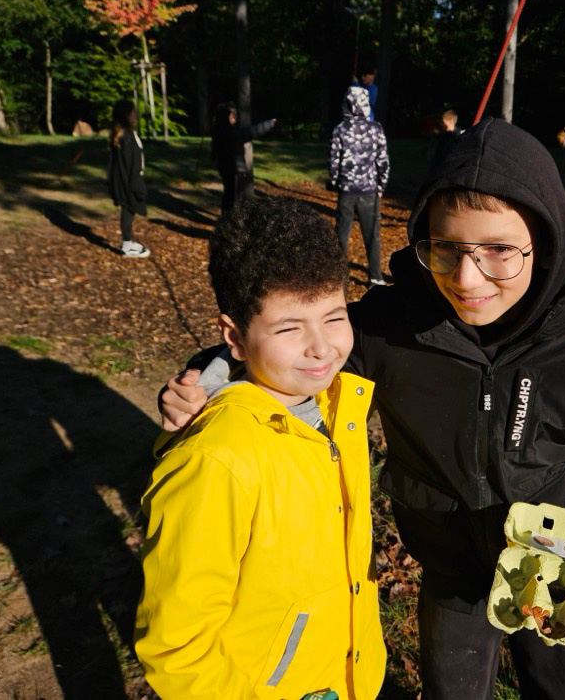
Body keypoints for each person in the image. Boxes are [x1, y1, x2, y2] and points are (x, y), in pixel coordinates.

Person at [161, 118, 565, 700]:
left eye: (499, 251)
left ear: (545, 244)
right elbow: (291, 346)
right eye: (446, 248)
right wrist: (209, 375)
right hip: (452, 568)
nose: (467, 278)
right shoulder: (388, 327)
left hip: (559, 568)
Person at [134, 197, 386, 699]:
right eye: (290, 328)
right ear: (234, 337)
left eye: (334, 318)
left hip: (346, 677)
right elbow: (177, 649)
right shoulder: (216, 461)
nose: (322, 347)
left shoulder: (336, 404)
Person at [329, 86, 390, 287]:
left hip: (346, 191)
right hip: (369, 191)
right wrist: (381, 186)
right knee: (372, 235)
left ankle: (339, 279)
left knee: (341, 234)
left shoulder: (340, 129)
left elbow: (333, 161)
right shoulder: (375, 128)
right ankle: (375, 277)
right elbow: (382, 160)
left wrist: (337, 182)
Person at [210, 102, 277, 215]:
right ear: (226, 118)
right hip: (232, 168)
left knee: (229, 193)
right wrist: (270, 123)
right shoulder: (231, 132)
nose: (234, 119)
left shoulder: (218, 131)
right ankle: (229, 218)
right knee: (232, 195)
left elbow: (215, 151)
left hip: (225, 167)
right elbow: (252, 132)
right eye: (231, 116)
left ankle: (226, 216)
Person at [107, 99, 150, 258]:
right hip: (127, 179)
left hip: (122, 178)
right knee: (129, 207)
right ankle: (126, 245)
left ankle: (127, 241)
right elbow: (131, 162)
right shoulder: (126, 136)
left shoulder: (122, 134)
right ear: (126, 115)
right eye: (133, 112)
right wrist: (136, 184)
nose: (135, 114)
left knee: (128, 208)